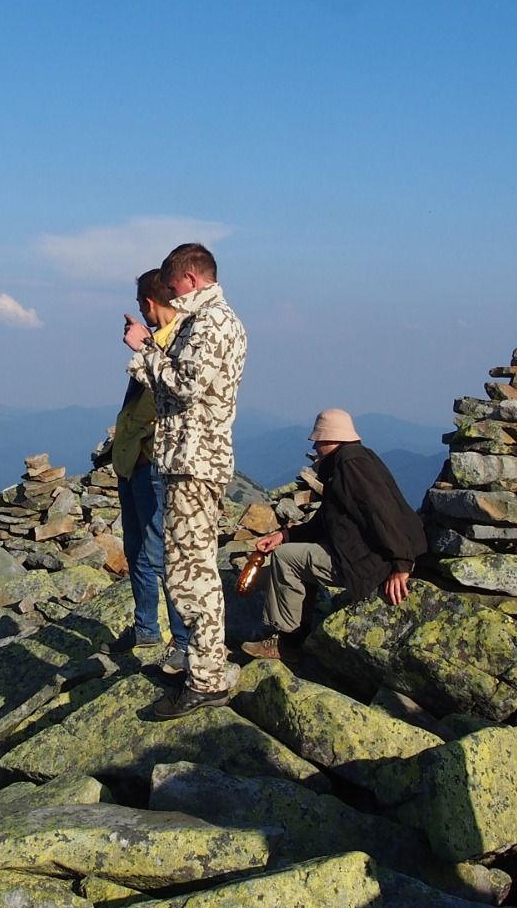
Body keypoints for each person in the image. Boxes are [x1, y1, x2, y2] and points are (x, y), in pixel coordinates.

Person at [123, 241, 247, 717]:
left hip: (195, 462)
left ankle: (206, 679)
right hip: (190, 460)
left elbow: (187, 386)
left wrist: (144, 350)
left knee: (192, 573)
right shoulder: (208, 321)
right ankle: (202, 667)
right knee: (187, 569)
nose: (171, 295)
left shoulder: (213, 322)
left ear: (192, 279)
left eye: (174, 286)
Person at [241, 409, 427, 659]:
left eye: (318, 440)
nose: (315, 445)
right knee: (292, 552)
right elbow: (329, 518)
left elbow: (382, 514)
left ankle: (285, 640)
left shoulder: (351, 465)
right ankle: (297, 632)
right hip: (366, 553)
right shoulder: (355, 459)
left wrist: (401, 564)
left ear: (331, 438)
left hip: (365, 561)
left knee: (286, 558)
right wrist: (284, 535)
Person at [110, 268, 191, 654]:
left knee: (162, 553)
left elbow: (175, 392)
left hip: (155, 462)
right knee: (139, 548)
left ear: (147, 303)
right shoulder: (160, 340)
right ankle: (146, 627)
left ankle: (183, 641)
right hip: (133, 460)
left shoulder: (179, 340)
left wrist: (144, 348)